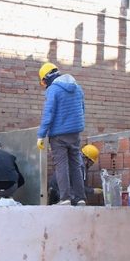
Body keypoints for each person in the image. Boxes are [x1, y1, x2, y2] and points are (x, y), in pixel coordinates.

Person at [36, 62, 86, 206]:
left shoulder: (53, 90)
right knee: (76, 165)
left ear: (47, 78)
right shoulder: (77, 87)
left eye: (44, 81)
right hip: (75, 133)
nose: (45, 85)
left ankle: (65, 198)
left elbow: (48, 113)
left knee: (61, 165)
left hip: (58, 135)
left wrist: (41, 135)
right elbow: (82, 109)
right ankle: (80, 198)